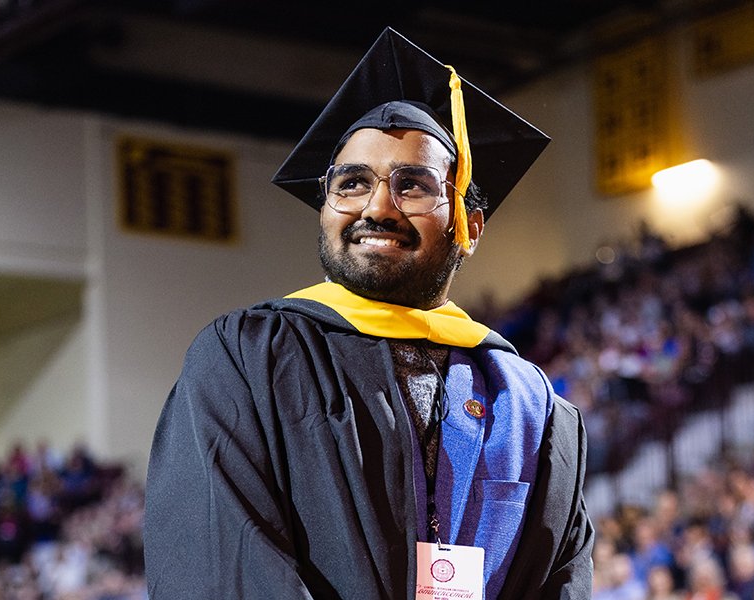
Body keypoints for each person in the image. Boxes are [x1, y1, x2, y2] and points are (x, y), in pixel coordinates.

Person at [143, 27, 594, 599]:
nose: (378, 207)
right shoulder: (248, 360)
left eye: (413, 186)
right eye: (352, 183)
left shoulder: (530, 406)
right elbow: (223, 562)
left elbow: (559, 580)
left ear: (469, 225)